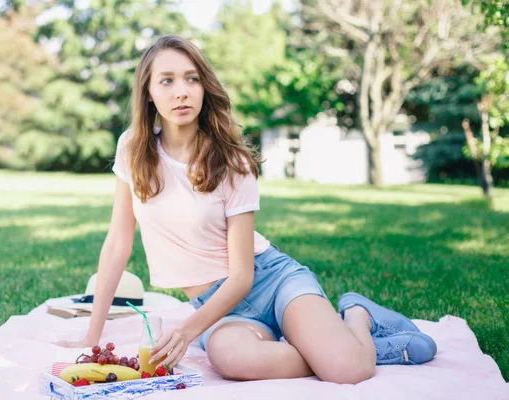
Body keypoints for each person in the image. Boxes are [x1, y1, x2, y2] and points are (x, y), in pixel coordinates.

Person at [58, 35, 437, 384]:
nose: (181, 92)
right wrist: (93, 335)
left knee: (349, 371)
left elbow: (242, 276)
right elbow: (118, 243)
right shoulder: (133, 149)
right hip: (219, 310)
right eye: (167, 81)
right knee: (231, 360)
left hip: (272, 281)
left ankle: (356, 315)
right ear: (149, 92)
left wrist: (188, 330)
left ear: (205, 87)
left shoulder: (231, 160)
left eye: (192, 79)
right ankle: (332, 347)